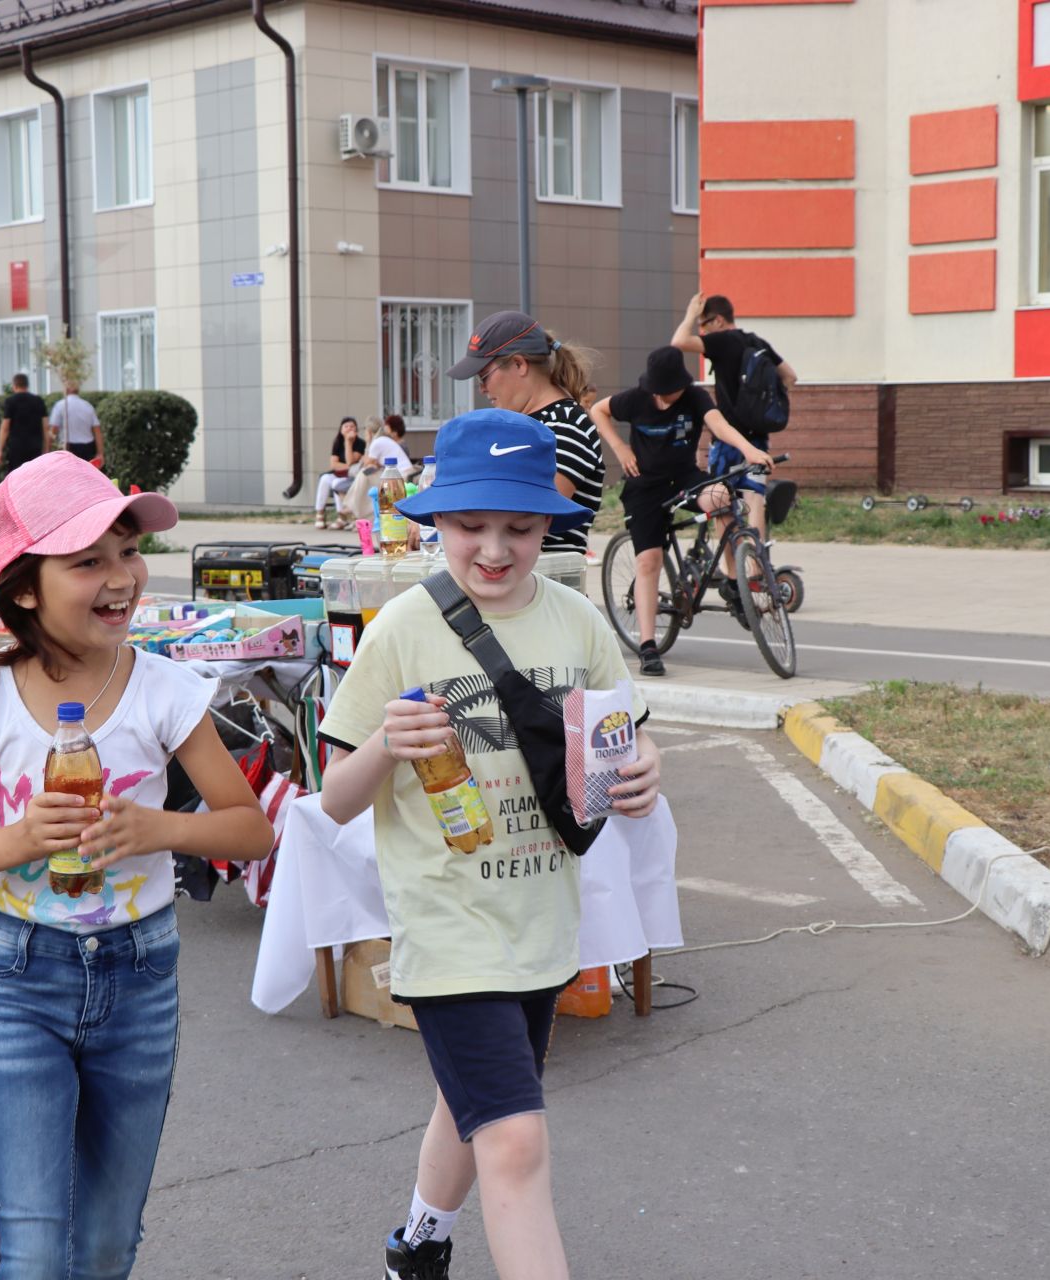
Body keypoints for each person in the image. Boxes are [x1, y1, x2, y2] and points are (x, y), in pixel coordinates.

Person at [0, 451, 274, 1279]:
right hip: (19, 973)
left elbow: (251, 832)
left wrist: (155, 829)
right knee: (31, 1251)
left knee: (105, 1244)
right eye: (88, 561)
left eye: (129, 552)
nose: (121, 577)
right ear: (26, 587)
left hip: (141, 975)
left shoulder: (167, 690)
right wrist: (22, 840)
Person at [315, 409, 662, 1280]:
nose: (496, 549)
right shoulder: (400, 627)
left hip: (543, 918)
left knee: (473, 1099)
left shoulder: (578, 621)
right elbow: (335, 797)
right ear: (434, 521)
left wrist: (644, 772)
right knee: (513, 1138)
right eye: (471, 526)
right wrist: (389, 746)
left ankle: (418, 1245)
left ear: (552, 522)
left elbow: (624, 738)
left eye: (520, 526)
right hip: (448, 926)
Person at [590, 346, 772, 677]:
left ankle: (734, 582)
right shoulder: (636, 399)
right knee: (649, 560)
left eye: (669, 390)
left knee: (720, 497)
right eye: (657, 391)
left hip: (685, 478)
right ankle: (648, 646)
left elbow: (719, 426)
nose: (663, 397)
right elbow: (598, 410)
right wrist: (620, 447)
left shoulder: (694, 397)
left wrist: (749, 450)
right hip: (644, 485)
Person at [448, 311, 605, 557]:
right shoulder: (519, 426)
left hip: (547, 586)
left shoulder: (566, 425)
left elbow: (531, 510)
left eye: (484, 376)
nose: (482, 388)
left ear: (520, 364)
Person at [668, 292, 797, 544]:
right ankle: (755, 567)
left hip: (728, 439)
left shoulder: (723, 341)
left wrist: (691, 314)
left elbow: (678, 343)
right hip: (757, 440)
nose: (702, 331)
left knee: (720, 501)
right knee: (755, 497)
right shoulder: (758, 343)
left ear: (717, 321)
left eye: (704, 325)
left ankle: (729, 569)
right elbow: (790, 377)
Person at [344, 413, 419, 524]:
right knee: (367, 473)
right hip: (402, 474)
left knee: (365, 473)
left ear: (369, 431)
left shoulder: (377, 442)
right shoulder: (384, 440)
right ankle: (356, 509)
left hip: (400, 477)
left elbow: (367, 463)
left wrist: (368, 443)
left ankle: (353, 508)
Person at [314, 416, 365, 530]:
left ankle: (342, 517)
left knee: (337, 483)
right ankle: (320, 513)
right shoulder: (337, 442)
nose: (349, 429)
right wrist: (348, 466)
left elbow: (351, 461)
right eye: (346, 426)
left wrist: (348, 442)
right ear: (341, 429)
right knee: (325, 479)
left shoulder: (360, 443)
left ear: (356, 429)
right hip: (339, 473)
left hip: (351, 476)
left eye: (352, 426)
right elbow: (334, 464)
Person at [0, 373, 52, 476]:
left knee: (16, 477)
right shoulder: (38, 401)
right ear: (27, 385)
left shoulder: (10, 402)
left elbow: (5, 428)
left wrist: (0, 450)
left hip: (16, 448)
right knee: (35, 476)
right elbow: (45, 426)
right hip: (35, 446)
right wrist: (46, 448)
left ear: (14, 386)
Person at [50, 379, 105, 466]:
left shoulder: (60, 405)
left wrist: (48, 448)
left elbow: (54, 430)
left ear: (65, 389)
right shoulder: (88, 406)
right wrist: (100, 453)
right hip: (88, 448)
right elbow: (97, 431)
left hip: (68, 447)